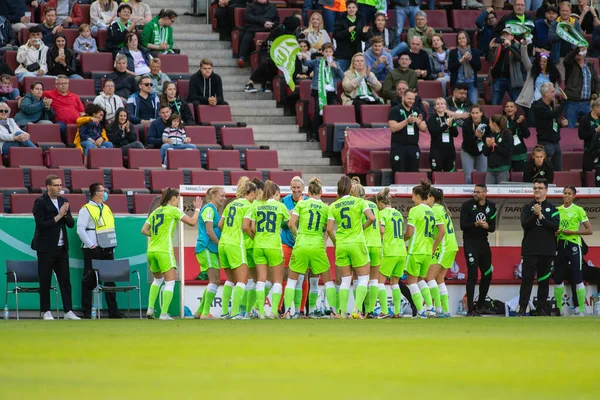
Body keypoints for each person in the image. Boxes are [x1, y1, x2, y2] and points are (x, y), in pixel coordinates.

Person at [142, 188, 201, 320]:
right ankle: (163, 314)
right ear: (173, 199)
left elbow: (144, 230)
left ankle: (150, 309)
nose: (178, 201)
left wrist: (157, 236)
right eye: (177, 199)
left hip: (152, 250)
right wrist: (197, 209)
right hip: (164, 250)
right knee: (170, 282)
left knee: (157, 280)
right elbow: (192, 222)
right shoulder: (173, 210)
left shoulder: (156, 211)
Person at [284, 178, 337, 318]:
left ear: (308, 192)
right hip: (317, 246)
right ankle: (333, 311)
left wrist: (298, 235)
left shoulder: (301, 204)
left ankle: (288, 311)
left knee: (292, 281)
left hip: (301, 244)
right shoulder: (327, 208)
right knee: (327, 281)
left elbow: (290, 224)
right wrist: (327, 242)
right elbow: (329, 228)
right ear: (321, 192)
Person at [31, 174, 80, 320]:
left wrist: (65, 215)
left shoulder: (63, 201)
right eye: (56, 185)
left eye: (60, 185)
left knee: (65, 281)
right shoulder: (40, 202)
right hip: (45, 248)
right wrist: (58, 216)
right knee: (45, 280)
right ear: (48, 186)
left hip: (61, 248)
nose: (59, 187)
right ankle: (46, 311)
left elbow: (71, 224)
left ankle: (68, 311)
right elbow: (41, 224)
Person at [326, 176, 375, 318]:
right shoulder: (359, 202)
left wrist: (336, 242)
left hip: (341, 244)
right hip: (357, 243)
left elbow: (329, 228)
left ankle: (342, 311)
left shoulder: (334, 205)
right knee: (364, 278)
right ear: (350, 188)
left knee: (345, 280)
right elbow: (371, 218)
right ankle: (356, 309)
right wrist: (361, 227)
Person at [243, 180, 291, 319]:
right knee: (277, 280)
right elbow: (290, 222)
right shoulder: (280, 206)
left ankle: (261, 312)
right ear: (275, 193)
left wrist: (255, 238)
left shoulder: (256, 206)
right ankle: (274, 311)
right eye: (278, 194)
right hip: (274, 246)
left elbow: (250, 227)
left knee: (261, 279)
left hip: (258, 245)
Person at [77, 182, 125, 319]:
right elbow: (80, 229)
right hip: (93, 248)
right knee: (89, 280)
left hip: (107, 247)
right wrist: (91, 245)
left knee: (110, 280)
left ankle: (113, 311)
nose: (105, 193)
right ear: (97, 193)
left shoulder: (107, 208)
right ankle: (86, 310)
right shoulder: (86, 209)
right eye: (103, 191)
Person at [518, 178, 559, 317]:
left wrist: (541, 217)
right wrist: (534, 215)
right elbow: (525, 225)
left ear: (546, 190)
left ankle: (541, 309)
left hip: (547, 250)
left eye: (540, 188)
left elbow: (554, 227)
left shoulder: (553, 209)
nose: (537, 190)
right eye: (535, 188)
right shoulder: (526, 207)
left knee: (544, 281)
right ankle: (522, 308)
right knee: (527, 280)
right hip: (530, 250)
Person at [217, 179, 257, 319]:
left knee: (230, 279)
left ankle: (224, 313)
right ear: (251, 193)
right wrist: (254, 238)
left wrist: (228, 233)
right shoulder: (248, 206)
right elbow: (246, 227)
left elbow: (220, 224)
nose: (255, 198)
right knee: (242, 281)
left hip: (223, 244)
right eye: (255, 195)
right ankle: (235, 313)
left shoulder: (231, 204)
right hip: (235, 244)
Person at [555, 186, 593, 316]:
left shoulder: (578, 210)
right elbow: (551, 230)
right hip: (560, 245)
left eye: (569, 193)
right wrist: (556, 232)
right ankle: (558, 309)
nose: (566, 195)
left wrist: (573, 232)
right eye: (564, 193)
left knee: (577, 276)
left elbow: (589, 230)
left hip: (574, 246)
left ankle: (581, 309)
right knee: (558, 277)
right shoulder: (557, 210)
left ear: (574, 196)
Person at [460, 183, 497, 316]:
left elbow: (493, 228)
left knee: (487, 274)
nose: (474, 194)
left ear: (485, 193)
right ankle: (470, 309)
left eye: (477, 192)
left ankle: (480, 306)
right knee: (473, 274)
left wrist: (486, 226)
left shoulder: (491, 206)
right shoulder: (467, 205)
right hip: (470, 243)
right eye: (474, 192)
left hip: (483, 243)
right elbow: (463, 226)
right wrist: (475, 224)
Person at [403, 180, 436, 319]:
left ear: (417, 196)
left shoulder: (415, 211)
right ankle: (431, 308)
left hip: (415, 250)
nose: (411, 199)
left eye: (412, 196)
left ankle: (421, 311)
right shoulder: (431, 211)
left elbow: (409, 233)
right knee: (422, 281)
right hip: (427, 252)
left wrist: (399, 240)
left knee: (412, 282)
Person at [375, 188, 410, 318]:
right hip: (401, 250)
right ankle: (397, 311)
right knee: (395, 282)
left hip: (390, 251)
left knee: (380, 281)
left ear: (380, 202)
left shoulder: (383, 213)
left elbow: (382, 230)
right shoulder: (398, 214)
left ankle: (384, 311)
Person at [349, 179, 381, 319]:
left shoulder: (356, 205)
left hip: (363, 244)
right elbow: (380, 228)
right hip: (377, 244)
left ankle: (358, 308)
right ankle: (370, 310)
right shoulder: (374, 205)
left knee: (358, 278)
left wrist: (361, 229)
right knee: (374, 280)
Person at [193, 186, 226, 319]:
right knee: (215, 280)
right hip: (206, 247)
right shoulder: (208, 209)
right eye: (222, 195)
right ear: (213, 195)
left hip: (210, 249)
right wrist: (220, 245)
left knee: (214, 280)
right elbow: (209, 230)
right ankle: (205, 313)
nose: (224, 198)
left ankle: (199, 312)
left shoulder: (213, 210)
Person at [279, 177, 309, 318]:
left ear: (303, 188)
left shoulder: (309, 201)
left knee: (303, 277)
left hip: (302, 244)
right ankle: (284, 309)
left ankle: (301, 310)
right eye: (293, 188)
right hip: (287, 243)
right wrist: (295, 213)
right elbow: (283, 224)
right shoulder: (284, 201)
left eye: (299, 188)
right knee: (285, 276)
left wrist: (292, 215)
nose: (296, 191)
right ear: (290, 188)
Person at [427, 188, 457, 318]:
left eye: (427, 197)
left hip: (444, 247)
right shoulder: (443, 209)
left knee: (429, 277)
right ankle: (445, 310)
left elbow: (442, 231)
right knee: (439, 279)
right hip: (451, 246)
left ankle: (438, 309)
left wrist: (434, 247)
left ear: (432, 198)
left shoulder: (435, 209)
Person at [515, 49, 562, 126]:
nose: (542, 63)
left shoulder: (552, 76)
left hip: (547, 104)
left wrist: (550, 91)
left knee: (545, 125)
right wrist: (524, 46)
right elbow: (524, 58)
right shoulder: (532, 71)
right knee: (533, 125)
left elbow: (557, 91)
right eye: (540, 61)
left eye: (544, 62)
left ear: (548, 63)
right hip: (534, 103)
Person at [310, 43, 344, 141]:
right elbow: (307, 63)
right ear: (322, 52)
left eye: (330, 52)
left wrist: (336, 68)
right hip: (319, 89)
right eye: (326, 51)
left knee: (332, 112)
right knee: (318, 112)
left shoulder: (336, 63)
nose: (328, 54)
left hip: (331, 91)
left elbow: (342, 76)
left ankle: (331, 136)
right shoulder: (317, 62)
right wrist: (303, 59)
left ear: (333, 53)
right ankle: (314, 135)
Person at [388, 88, 427, 173]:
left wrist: (418, 122)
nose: (411, 101)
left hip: (413, 147)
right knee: (399, 173)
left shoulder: (416, 110)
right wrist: (406, 121)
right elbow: (393, 128)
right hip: (399, 147)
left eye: (413, 99)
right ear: (403, 97)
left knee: (413, 174)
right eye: (409, 98)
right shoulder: (395, 110)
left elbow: (424, 129)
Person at [532, 82, 568, 171]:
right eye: (552, 92)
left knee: (558, 171)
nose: (554, 93)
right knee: (545, 171)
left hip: (556, 143)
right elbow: (554, 115)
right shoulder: (538, 106)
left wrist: (560, 125)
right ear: (545, 94)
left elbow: (550, 122)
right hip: (545, 144)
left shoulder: (550, 105)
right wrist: (564, 101)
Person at [563, 46, 600, 127]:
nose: (579, 54)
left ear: (585, 53)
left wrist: (596, 93)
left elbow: (597, 81)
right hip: (572, 103)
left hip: (587, 103)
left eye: (581, 52)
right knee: (570, 128)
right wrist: (577, 50)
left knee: (589, 128)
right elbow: (566, 60)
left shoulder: (590, 66)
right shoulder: (570, 65)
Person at [488, 28, 526, 106]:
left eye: (507, 35)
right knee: (495, 103)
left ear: (512, 37)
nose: (504, 36)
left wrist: (510, 46)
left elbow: (520, 58)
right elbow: (489, 59)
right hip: (499, 78)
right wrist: (490, 49)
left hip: (512, 80)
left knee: (517, 103)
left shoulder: (517, 46)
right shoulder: (497, 47)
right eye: (503, 35)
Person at [236, 0, 279, 67]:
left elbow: (277, 20)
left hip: (268, 28)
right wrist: (263, 22)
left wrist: (272, 24)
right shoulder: (250, 6)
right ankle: (241, 58)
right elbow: (248, 17)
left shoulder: (272, 7)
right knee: (247, 36)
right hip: (254, 28)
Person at [342, 52, 382, 123]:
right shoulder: (348, 74)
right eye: (357, 61)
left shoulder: (370, 73)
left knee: (380, 104)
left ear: (364, 63)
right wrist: (360, 78)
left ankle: (378, 126)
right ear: (353, 64)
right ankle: (363, 125)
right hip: (355, 99)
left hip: (369, 98)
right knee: (361, 105)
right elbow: (346, 87)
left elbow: (378, 87)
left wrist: (369, 77)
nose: (360, 63)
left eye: (362, 61)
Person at [44, 75, 85, 143]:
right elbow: (36, 94)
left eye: (65, 83)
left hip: (77, 122)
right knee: (59, 127)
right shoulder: (49, 94)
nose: (63, 85)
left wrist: (83, 115)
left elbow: (82, 111)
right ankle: (67, 145)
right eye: (61, 83)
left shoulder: (75, 96)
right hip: (61, 122)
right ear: (56, 85)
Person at [333, 0, 369, 72]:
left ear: (357, 8)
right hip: (343, 54)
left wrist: (364, 33)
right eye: (349, 7)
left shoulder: (361, 19)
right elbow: (336, 35)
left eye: (353, 7)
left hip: (356, 54)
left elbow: (365, 39)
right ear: (346, 9)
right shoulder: (340, 19)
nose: (351, 9)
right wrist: (347, 31)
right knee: (339, 74)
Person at [449, 31, 481, 105]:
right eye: (459, 39)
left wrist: (470, 60)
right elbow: (450, 68)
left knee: (473, 104)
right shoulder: (453, 52)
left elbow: (478, 67)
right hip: (458, 82)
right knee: (458, 105)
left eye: (463, 38)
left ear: (467, 39)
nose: (461, 40)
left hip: (471, 82)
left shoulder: (474, 52)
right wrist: (461, 60)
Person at [427, 97, 458, 172]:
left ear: (445, 106)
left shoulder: (450, 117)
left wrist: (451, 127)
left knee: (449, 173)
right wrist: (446, 125)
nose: (440, 105)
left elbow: (456, 134)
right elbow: (434, 133)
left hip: (449, 149)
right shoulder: (431, 118)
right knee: (436, 172)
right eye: (438, 104)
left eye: (442, 104)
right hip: (437, 149)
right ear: (434, 106)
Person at [460, 105, 489, 183]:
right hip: (467, 150)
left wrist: (482, 136)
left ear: (481, 113)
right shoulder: (466, 123)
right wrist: (476, 136)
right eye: (473, 113)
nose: (475, 115)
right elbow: (467, 141)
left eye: (477, 113)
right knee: (468, 177)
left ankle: (480, 193)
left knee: (482, 175)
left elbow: (490, 137)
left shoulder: (487, 122)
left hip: (481, 150)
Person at [483, 114, 513, 184]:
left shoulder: (507, 134)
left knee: (502, 193)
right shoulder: (490, 135)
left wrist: (495, 146)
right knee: (489, 192)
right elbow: (485, 153)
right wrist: (488, 146)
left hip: (502, 169)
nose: (489, 125)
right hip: (490, 170)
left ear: (494, 124)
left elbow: (507, 152)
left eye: (490, 123)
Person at [503, 101, 530, 172]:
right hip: (507, 154)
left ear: (515, 109)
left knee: (519, 178)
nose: (509, 108)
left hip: (520, 153)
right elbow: (507, 133)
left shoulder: (520, 119)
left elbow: (527, 135)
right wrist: (517, 123)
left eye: (511, 107)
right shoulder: (502, 120)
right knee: (506, 179)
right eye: (507, 107)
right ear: (505, 109)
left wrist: (522, 123)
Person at [579, 96, 600, 174]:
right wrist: (595, 131)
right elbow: (581, 135)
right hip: (589, 151)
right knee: (587, 174)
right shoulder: (585, 119)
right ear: (596, 108)